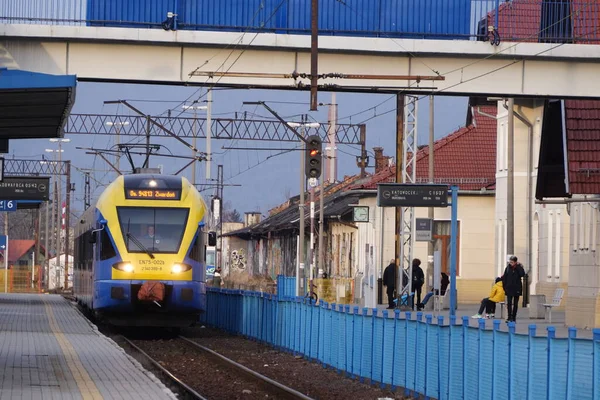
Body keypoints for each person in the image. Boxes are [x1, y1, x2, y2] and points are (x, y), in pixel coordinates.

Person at [501, 256, 526, 323]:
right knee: (509, 303)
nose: (510, 263)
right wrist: (504, 287)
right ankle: (509, 317)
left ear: (515, 262)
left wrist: (518, 267)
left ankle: (513, 317)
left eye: (512, 262)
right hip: (509, 288)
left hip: (516, 288)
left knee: (515, 304)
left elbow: (522, 274)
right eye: (510, 261)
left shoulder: (519, 267)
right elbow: (504, 277)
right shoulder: (508, 268)